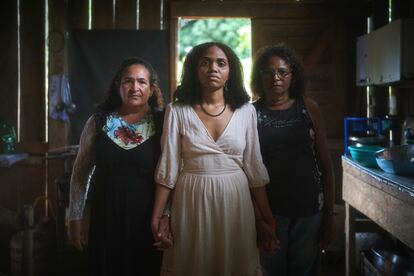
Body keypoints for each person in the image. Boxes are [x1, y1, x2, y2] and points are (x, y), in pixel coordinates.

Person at [151, 42, 277, 276]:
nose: (213, 68)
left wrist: (266, 219)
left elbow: (254, 170)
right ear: (194, 71)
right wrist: (158, 216)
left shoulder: (246, 111)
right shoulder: (177, 110)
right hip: (191, 200)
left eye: (221, 63)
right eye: (205, 63)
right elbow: (168, 168)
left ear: (230, 72)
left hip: (236, 201)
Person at [68, 57, 166, 276]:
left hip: (148, 216)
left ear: (151, 89)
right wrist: (75, 216)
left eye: (142, 82)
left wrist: (165, 216)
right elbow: (80, 172)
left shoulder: (163, 122)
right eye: (128, 81)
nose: (135, 87)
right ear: (117, 86)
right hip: (105, 214)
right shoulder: (98, 121)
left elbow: (171, 174)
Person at [250, 43, 335, 276]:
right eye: (269, 72)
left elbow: (326, 167)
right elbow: (247, 171)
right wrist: (258, 220)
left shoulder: (308, 108)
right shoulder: (250, 113)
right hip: (270, 212)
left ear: (292, 75)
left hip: (309, 209)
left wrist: (329, 214)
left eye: (282, 72)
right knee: (269, 271)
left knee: (305, 271)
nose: (275, 77)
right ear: (260, 76)